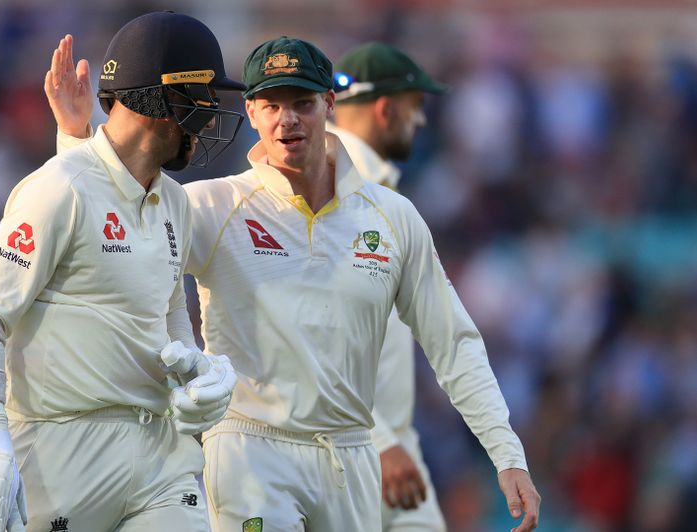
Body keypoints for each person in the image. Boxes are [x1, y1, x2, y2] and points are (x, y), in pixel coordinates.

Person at [48, 35, 541, 532]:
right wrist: (76, 137)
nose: (288, 120)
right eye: (272, 105)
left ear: (329, 104)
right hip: (250, 449)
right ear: (252, 111)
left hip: (351, 454)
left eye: (302, 103)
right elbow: (112, 238)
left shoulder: (392, 218)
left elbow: (453, 343)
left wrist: (507, 454)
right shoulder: (212, 206)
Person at [0, 12, 244, 532]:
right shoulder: (58, 187)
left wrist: (194, 376)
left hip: (158, 456)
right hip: (62, 452)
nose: (212, 119)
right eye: (204, 100)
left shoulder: (174, 203)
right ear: (165, 100)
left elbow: (166, 314)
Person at [331, 42, 450, 530]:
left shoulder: (380, 189)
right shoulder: (334, 187)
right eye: (415, 107)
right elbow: (314, 335)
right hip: (346, 446)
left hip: (394, 444)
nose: (420, 122)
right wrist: (380, 441)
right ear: (385, 109)